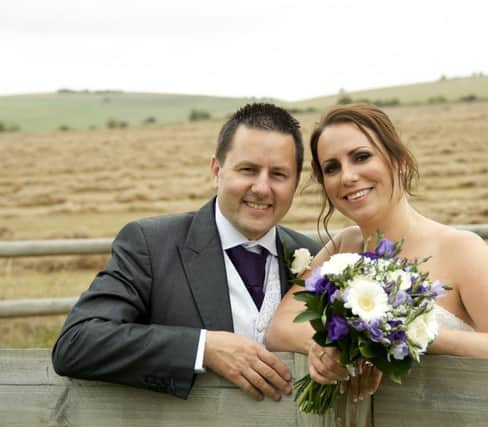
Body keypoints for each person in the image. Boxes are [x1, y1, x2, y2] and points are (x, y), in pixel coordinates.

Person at [265, 103, 488, 400]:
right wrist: (335, 346)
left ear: (397, 159)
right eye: (332, 168)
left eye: (361, 157)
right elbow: (279, 329)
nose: (347, 176)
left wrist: (406, 333)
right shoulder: (343, 247)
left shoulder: (460, 249)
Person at [52, 103, 322, 401]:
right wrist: (202, 348)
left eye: (279, 174)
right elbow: (77, 342)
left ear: (296, 182)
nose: (261, 187)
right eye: (248, 169)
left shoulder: (315, 256)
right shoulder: (150, 244)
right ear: (216, 171)